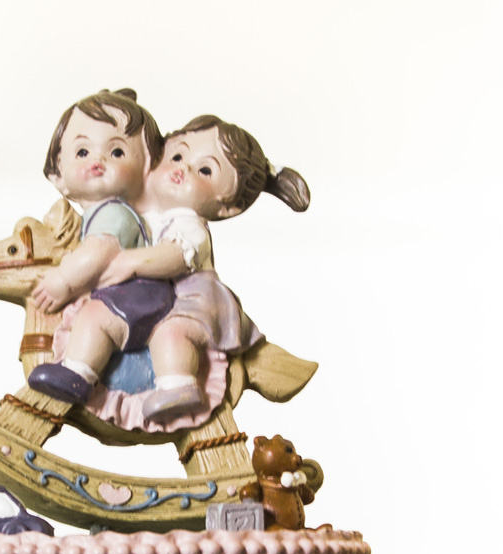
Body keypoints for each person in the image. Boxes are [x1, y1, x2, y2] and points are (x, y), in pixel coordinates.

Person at [32, 114, 310, 422]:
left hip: (192, 302)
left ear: (227, 206)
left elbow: (174, 257)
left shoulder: (190, 225)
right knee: (97, 315)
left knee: (172, 333)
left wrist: (129, 263)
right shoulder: (146, 212)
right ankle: (77, 373)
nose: (183, 168)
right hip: (149, 298)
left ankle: (178, 385)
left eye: (205, 170)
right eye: (178, 156)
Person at [27, 89, 170, 406]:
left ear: (147, 169)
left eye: (117, 152)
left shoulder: (114, 212)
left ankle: (78, 375)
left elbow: (98, 253)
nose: (98, 161)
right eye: (82, 152)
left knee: (94, 316)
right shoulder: (95, 214)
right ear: (58, 173)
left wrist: (63, 280)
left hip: (137, 298)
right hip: (123, 297)